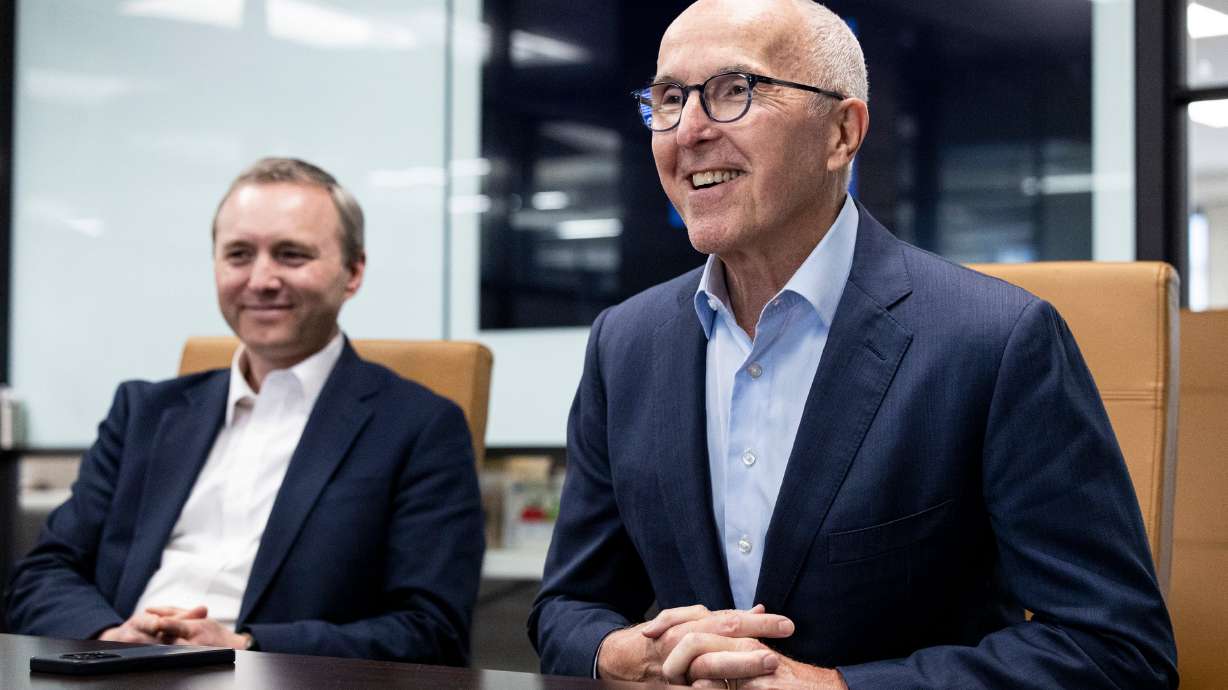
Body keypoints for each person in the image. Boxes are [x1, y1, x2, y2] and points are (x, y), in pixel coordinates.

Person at [529, 1, 1177, 687]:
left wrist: (839, 687)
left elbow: (1117, 650)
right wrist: (622, 654)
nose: (689, 129)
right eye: (668, 99)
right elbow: (568, 607)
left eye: (733, 90)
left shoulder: (996, 342)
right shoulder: (626, 344)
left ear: (842, 133)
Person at [5, 157, 484, 664]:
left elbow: (431, 631)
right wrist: (110, 638)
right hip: (112, 674)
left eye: (291, 255)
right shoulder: (143, 412)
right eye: (238, 255)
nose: (261, 279)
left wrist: (243, 647)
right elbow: (42, 574)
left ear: (354, 272)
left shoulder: (418, 427)